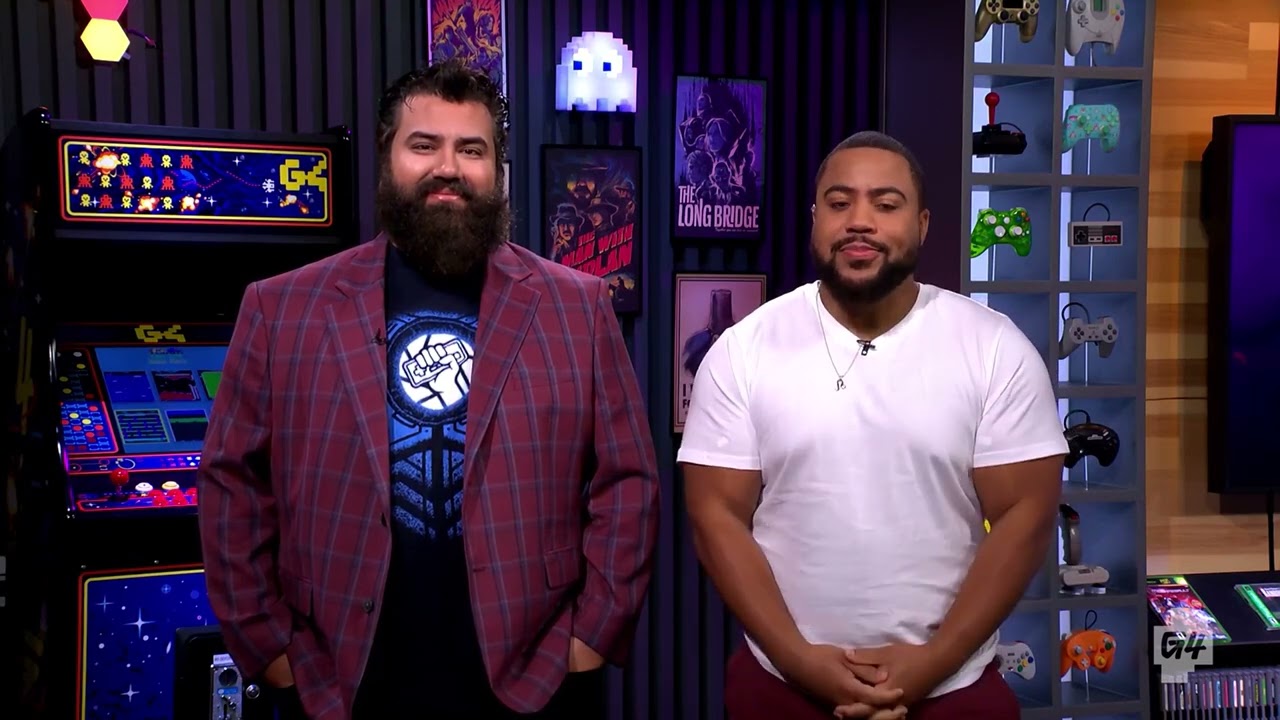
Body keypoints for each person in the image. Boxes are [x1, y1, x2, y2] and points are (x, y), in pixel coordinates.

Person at [197, 59, 661, 720]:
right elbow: (231, 484)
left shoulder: (576, 306)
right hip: (338, 676)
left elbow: (629, 481)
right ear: (388, 159)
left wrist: (594, 633)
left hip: (533, 676)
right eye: (424, 145)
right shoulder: (282, 308)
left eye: (471, 149)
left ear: (497, 169)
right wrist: (265, 645)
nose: (449, 167)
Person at [678, 130, 1067, 720]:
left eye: (886, 204)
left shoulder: (994, 349)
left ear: (923, 224)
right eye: (839, 203)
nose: (860, 221)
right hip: (782, 685)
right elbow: (715, 518)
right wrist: (800, 660)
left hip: (951, 689)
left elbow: (1026, 516)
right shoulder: (741, 351)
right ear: (815, 219)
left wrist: (933, 662)